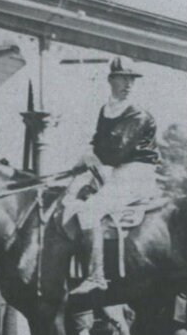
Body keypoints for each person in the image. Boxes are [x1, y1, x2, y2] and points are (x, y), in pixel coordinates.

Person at [68, 58, 160, 297]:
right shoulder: (106, 110)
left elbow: (116, 150)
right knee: (69, 198)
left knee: (89, 211)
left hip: (136, 174)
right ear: (111, 80)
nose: (128, 84)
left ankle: (96, 276)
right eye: (123, 79)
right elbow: (99, 141)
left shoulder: (138, 113)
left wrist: (90, 158)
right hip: (116, 172)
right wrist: (85, 158)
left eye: (132, 80)